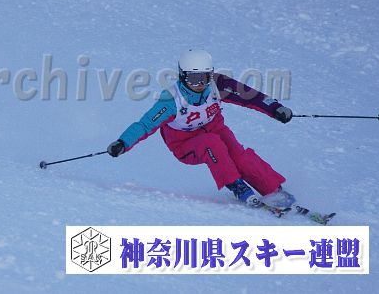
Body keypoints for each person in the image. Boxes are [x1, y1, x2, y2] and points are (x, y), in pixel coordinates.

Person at [107, 49, 295, 208]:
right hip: (185, 144)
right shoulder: (171, 100)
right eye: (193, 79)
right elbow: (145, 124)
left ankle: (273, 190)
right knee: (211, 143)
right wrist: (123, 143)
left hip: (216, 129)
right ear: (182, 76)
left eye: (204, 78)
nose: (199, 85)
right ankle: (236, 185)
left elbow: (250, 96)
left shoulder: (218, 85)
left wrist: (275, 108)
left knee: (238, 154)